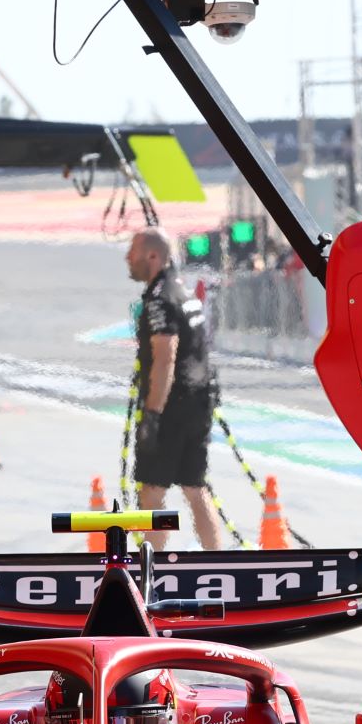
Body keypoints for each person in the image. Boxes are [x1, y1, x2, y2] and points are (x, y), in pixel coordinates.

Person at [126, 228, 221, 551]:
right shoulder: (183, 292)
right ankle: (219, 565)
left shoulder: (159, 299)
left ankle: (151, 572)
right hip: (199, 399)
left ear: (152, 257)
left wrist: (152, 414)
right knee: (196, 487)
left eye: (133, 252)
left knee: (151, 489)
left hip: (171, 405)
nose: (128, 258)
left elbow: (165, 356)